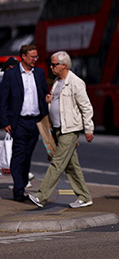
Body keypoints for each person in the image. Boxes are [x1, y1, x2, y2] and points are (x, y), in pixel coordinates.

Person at [28, 51, 94, 208]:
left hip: (70, 129)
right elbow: (59, 105)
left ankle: (41, 196)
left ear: (64, 65)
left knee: (57, 162)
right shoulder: (57, 82)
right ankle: (85, 197)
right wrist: (50, 102)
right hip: (58, 128)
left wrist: (88, 128)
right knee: (71, 166)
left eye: (54, 64)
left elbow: (86, 107)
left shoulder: (76, 82)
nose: (51, 67)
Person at [0, 44, 49, 202]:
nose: (35, 59)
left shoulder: (40, 73)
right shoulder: (11, 74)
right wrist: (5, 121)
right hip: (19, 121)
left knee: (28, 155)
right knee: (19, 155)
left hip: (35, 121)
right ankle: (18, 189)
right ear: (23, 57)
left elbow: (43, 94)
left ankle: (22, 183)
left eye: (36, 57)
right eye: (33, 57)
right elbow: (3, 100)